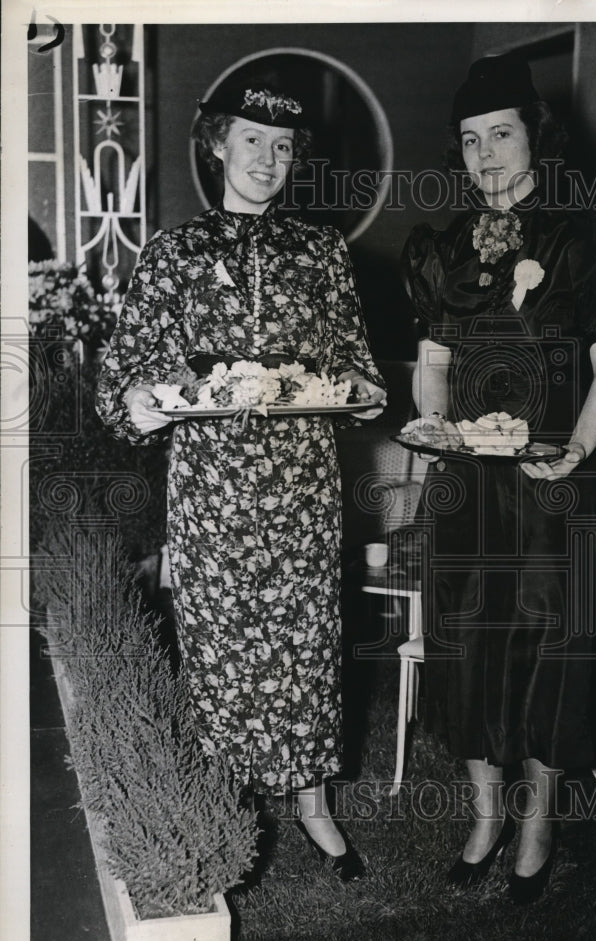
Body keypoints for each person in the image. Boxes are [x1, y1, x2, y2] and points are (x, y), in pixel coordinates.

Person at [96, 79, 386, 881]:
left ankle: (313, 804)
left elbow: (356, 368)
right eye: (251, 140)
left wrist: (361, 392)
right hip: (211, 490)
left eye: (282, 146)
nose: (267, 158)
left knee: (307, 645)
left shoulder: (322, 252)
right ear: (218, 145)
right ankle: (224, 804)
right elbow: (122, 378)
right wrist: (141, 404)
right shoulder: (173, 254)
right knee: (220, 648)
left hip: (302, 489)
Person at [401, 52, 596, 903]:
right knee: (467, 648)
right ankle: (484, 818)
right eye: (470, 141)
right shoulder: (441, 249)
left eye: (501, 135)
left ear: (536, 139)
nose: (485, 155)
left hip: (558, 490)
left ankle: (537, 827)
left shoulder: (594, 246)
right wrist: (435, 427)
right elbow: (433, 364)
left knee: (553, 654)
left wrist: (572, 453)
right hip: (467, 491)